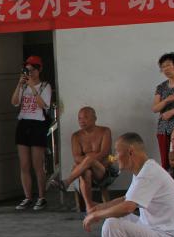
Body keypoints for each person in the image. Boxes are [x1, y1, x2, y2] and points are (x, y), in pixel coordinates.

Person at [48, 107, 116, 213]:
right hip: (84, 170)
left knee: (89, 160)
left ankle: (67, 182)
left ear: (94, 118)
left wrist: (90, 159)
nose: (82, 121)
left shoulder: (105, 131)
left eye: (85, 117)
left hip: (102, 169)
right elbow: (76, 157)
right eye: (79, 118)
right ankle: (89, 207)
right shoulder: (76, 136)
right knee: (86, 172)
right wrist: (89, 161)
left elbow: (104, 153)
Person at [11, 55, 53, 211]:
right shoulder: (23, 86)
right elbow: (14, 102)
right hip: (23, 123)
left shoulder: (45, 86)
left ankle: (41, 197)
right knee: (24, 164)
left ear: (39, 70)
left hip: (38, 124)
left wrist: (33, 88)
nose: (29, 73)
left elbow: (44, 105)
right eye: (27, 70)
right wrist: (19, 84)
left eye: (32, 70)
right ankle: (27, 197)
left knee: (37, 164)